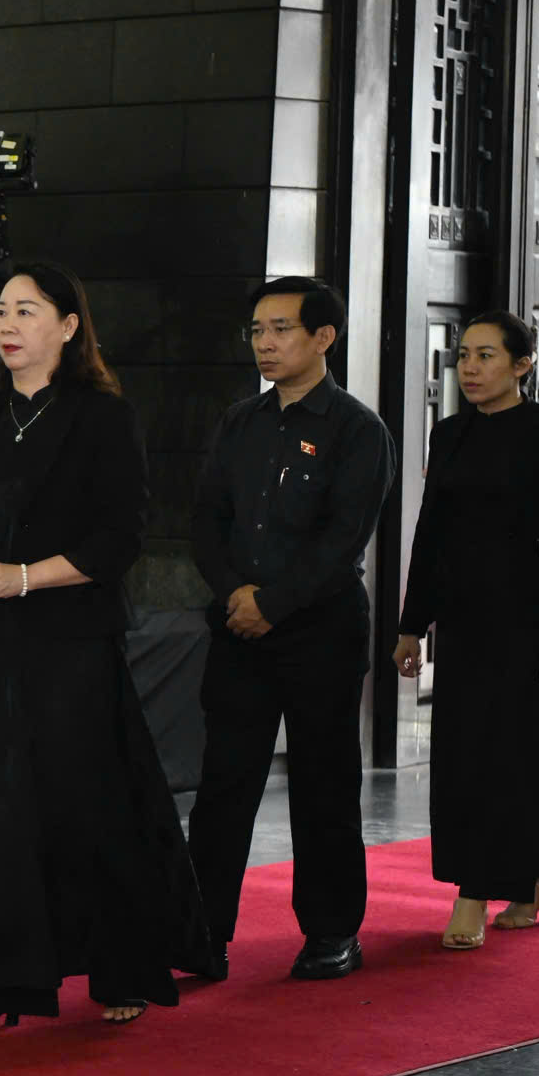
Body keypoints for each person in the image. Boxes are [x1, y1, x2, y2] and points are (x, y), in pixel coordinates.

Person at [0, 265, 210, 1033]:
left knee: (83, 807)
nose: (6, 324)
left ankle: (118, 961)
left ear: (68, 326)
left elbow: (119, 539)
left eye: (27, 310)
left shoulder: (102, 417)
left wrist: (26, 577)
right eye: (1, 311)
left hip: (67, 644)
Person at [186, 276, 396, 983]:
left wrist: (273, 601)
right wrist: (235, 594)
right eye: (257, 331)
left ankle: (333, 932)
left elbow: (343, 542)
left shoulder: (358, 430)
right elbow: (205, 521)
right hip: (238, 627)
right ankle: (202, 934)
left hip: (321, 631)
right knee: (224, 786)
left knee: (323, 784)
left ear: (323, 338)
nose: (265, 344)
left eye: (280, 330)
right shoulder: (239, 422)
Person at [394, 312, 539, 949]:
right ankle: (536, 880)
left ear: (522, 365)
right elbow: (429, 536)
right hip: (461, 621)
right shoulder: (449, 435)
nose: (470, 369)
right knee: (463, 754)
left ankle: (476, 893)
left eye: (486, 356)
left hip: (526, 621)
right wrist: (410, 624)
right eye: (464, 357)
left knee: (518, 752)